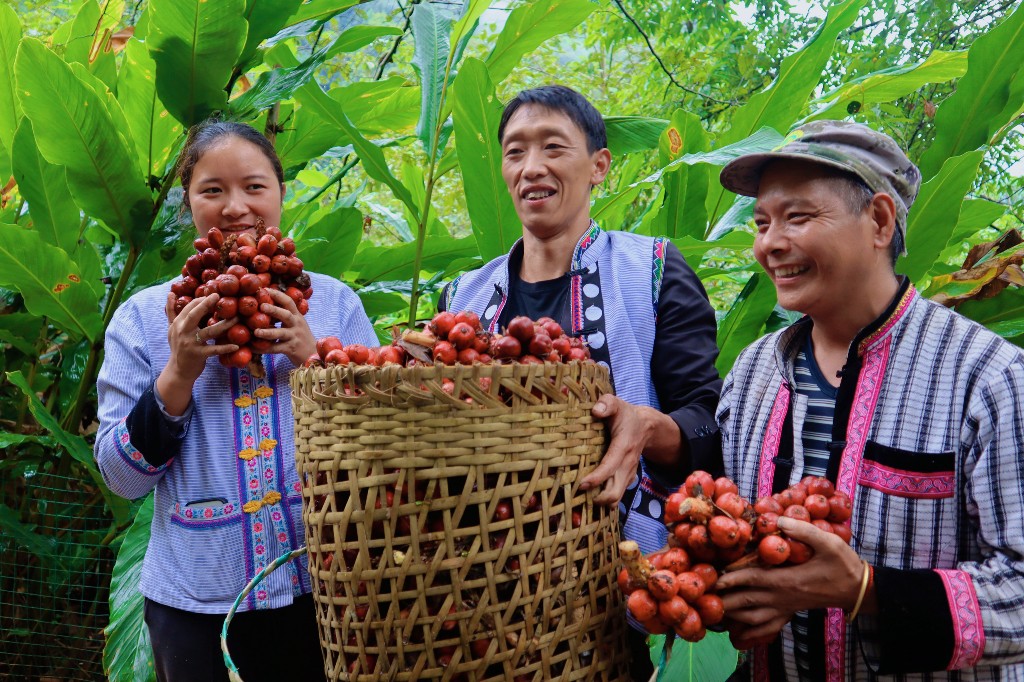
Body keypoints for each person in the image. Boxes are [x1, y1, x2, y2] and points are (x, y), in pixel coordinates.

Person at [712, 120, 1024, 680]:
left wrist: (866, 590)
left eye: (797, 217)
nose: (770, 243)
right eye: (761, 223)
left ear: (879, 221)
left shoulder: (988, 377)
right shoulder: (752, 373)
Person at [438, 85, 723, 680]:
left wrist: (648, 427)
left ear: (599, 166)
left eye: (553, 147)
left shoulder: (653, 271)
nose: (531, 167)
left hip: (610, 587)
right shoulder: (463, 298)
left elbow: (706, 423)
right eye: (515, 152)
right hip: (478, 586)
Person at [94, 121, 378, 682]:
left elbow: (383, 444)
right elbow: (121, 479)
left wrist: (312, 358)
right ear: (188, 202)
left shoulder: (335, 305)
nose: (235, 207)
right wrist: (179, 371)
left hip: (328, 593)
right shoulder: (145, 319)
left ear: (280, 192)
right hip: (195, 603)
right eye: (212, 190)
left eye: (254, 186)